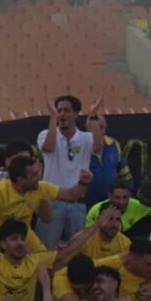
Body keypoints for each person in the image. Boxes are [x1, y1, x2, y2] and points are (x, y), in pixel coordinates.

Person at [0, 155, 93, 253]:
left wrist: (83, 182)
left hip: (24, 236)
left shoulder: (39, 187)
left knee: (45, 263)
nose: (39, 177)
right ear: (20, 179)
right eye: (34, 174)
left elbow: (71, 194)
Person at [36, 94, 103, 248]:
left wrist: (93, 116)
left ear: (76, 113)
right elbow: (48, 148)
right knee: (47, 251)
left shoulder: (85, 137)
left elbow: (98, 147)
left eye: (66, 110)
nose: (62, 114)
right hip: (52, 203)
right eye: (59, 110)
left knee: (75, 252)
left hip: (77, 204)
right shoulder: (45, 134)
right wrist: (53, 118)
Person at [86, 115, 133, 208]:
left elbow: (123, 170)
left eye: (102, 127)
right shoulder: (80, 145)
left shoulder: (114, 144)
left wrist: (130, 188)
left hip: (111, 203)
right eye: (96, 127)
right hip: (87, 202)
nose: (99, 131)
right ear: (88, 128)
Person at [85, 181, 151, 234]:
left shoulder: (138, 205)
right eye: (117, 198)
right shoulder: (96, 210)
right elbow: (88, 235)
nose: (122, 202)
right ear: (109, 196)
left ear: (130, 195)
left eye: (125, 197)